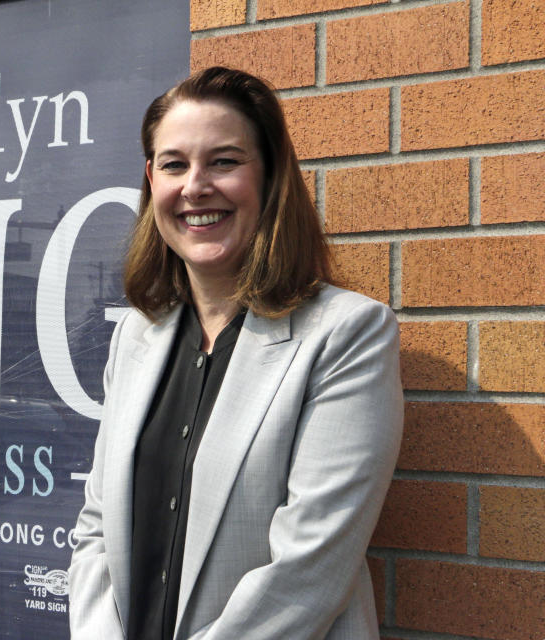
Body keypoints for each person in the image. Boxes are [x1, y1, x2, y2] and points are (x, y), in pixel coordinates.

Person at [68, 67, 403, 639]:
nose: (195, 186)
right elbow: (97, 528)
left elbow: (309, 571)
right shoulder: (135, 338)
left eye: (224, 161)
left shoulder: (347, 334)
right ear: (152, 181)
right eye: (174, 164)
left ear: (270, 177)